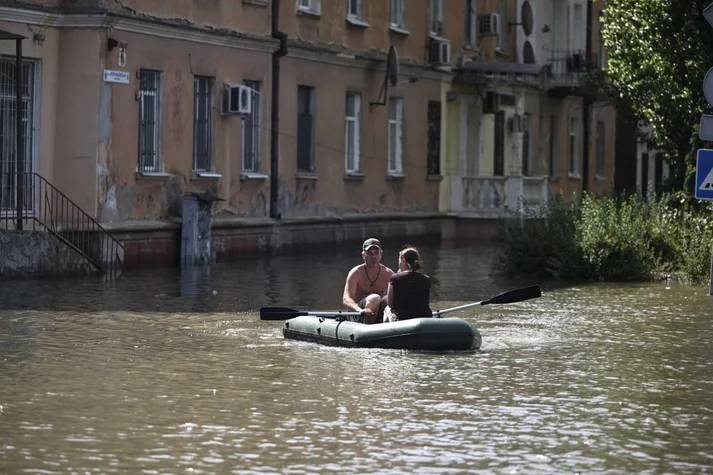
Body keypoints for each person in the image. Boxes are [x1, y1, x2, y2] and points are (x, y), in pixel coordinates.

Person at [343, 238, 394, 324]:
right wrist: (359, 310)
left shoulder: (388, 273)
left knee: (386, 299)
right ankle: (368, 328)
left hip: (379, 314)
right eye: (370, 253)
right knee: (374, 298)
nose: (373, 256)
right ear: (363, 255)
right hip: (358, 314)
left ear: (381, 254)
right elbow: (346, 299)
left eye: (376, 253)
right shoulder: (356, 273)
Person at [383, 246, 432, 322]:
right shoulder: (426, 279)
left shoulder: (394, 278)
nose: (398, 263)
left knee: (387, 309)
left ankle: (386, 332)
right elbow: (425, 302)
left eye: (399, 260)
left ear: (403, 260)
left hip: (402, 319)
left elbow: (390, 304)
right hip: (425, 317)